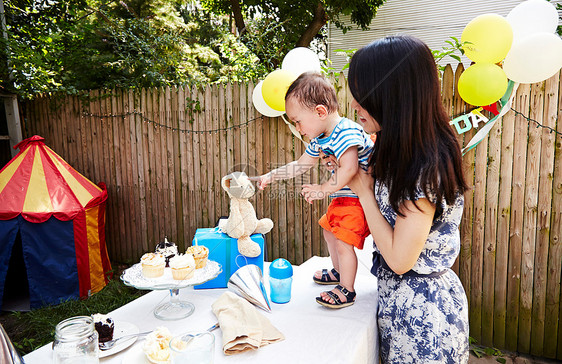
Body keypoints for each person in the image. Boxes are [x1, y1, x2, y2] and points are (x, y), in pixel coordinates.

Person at [343, 35, 470, 363]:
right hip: (401, 302)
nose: (354, 104)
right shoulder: (399, 147)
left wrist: (364, 193)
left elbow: (401, 259)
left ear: (392, 95)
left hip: (422, 315)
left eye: (361, 94)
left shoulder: (423, 168)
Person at [256, 71, 374, 308]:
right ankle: (339, 272)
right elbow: (300, 165)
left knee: (343, 241)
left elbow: (350, 169)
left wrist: (322, 189)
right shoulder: (320, 139)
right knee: (329, 231)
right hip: (343, 199)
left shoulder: (346, 131)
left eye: (298, 121)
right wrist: (272, 175)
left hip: (359, 200)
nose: (298, 128)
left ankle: (347, 289)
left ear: (320, 112)